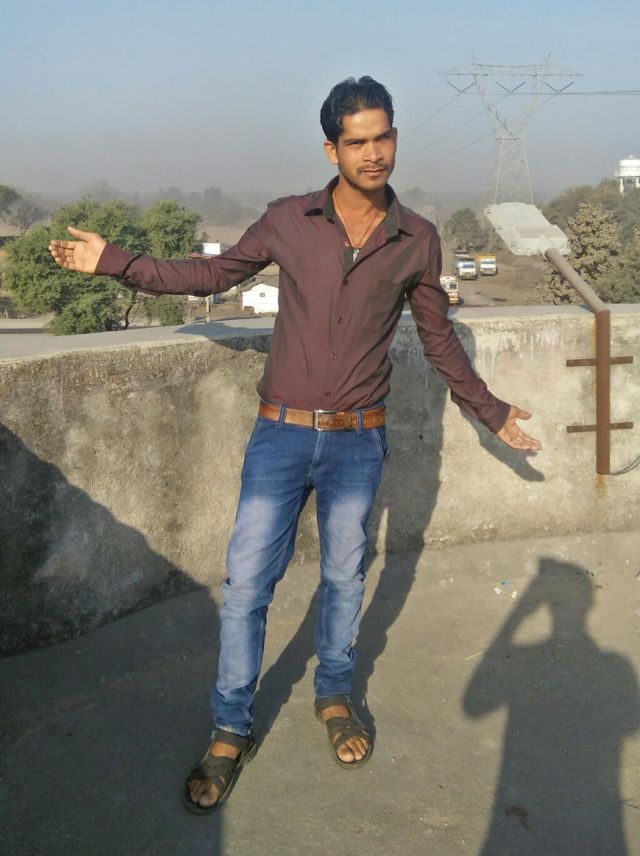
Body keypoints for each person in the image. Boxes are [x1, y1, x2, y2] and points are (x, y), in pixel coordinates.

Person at [49, 76, 541, 814]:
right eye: (356, 141)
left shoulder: (417, 239)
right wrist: (116, 261)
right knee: (248, 585)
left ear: (395, 138)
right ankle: (229, 727)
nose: (373, 153)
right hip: (279, 435)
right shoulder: (289, 220)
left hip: (358, 441)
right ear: (331, 149)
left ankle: (335, 694)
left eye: (383, 137)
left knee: (344, 577)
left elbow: (439, 341)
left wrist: (490, 410)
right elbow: (210, 274)